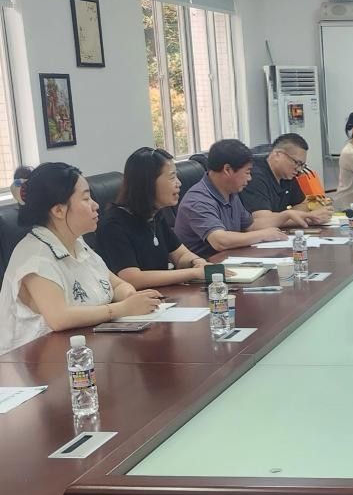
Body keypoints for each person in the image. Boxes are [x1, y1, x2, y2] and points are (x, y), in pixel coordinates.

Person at [0, 163, 162, 354]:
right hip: (33, 361)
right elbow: (60, 318)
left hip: (84, 348)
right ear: (58, 211)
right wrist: (123, 309)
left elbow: (116, 284)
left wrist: (130, 296)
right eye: (86, 198)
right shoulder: (35, 257)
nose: (96, 205)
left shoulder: (76, 243)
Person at [96, 147, 211, 289]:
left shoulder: (154, 215)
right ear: (148, 183)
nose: (179, 183)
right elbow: (132, 278)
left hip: (164, 295)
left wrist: (197, 262)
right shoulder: (113, 225)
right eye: (172, 177)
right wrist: (193, 273)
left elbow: (181, 255)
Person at [174, 139, 284, 258]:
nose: (250, 178)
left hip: (231, 259)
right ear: (227, 170)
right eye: (247, 172)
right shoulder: (197, 200)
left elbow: (249, 226)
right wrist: (263, 235)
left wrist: (286, 217)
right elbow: (219, 241)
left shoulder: (230, 192)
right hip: (207, 265)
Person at [240, 133, 332, 229]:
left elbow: (303, 204)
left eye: (302, 165)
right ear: (277, 154)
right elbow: (262, 220)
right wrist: (309, 219)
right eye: (296, 163)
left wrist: (287, 216)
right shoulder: (254, 176)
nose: (299, 169)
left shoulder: (287, 175)